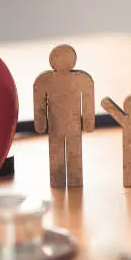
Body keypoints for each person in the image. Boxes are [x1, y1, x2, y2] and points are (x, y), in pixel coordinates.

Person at [33, 44, 95, 188]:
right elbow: (39, 104)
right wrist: (40, 123)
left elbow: (87, 102)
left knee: (74, 152)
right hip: (56, 126)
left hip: (73, 125)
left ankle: (72, 178)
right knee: (58, 153)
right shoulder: (44, 80)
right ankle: (59, 178)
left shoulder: (82, 79)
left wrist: (88, 122)